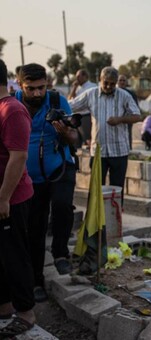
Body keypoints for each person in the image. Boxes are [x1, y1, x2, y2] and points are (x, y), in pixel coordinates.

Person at [15, 63, 79, 302]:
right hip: (29, 178)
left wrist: (64, 132)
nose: (37, 94)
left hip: (60, 167)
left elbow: (74, 136)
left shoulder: (56, 101)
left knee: (63, 206)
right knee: (35, 228)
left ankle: (61, 253)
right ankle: (36, 280)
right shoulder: (12, 105)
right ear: (20, 84)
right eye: (31, 89)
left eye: (41, 88)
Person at [0, 59, 36, 338]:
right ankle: (4, 305)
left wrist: (3, 198)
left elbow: (19, 157)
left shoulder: (12, 110)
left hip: (11, 198)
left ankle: (26, 312)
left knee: (15, 256)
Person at [69, 67, 141, 189]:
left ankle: (115, 209)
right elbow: (71, 106)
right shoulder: (90, 94)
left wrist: (120, 119)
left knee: (117, 190)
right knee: (96, 190)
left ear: (116, 82)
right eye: (106, 83)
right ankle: (97, 210)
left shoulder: (124, 95)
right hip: (98, 152)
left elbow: (137, 116)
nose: (108, 86)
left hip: (119, 152)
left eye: (112, 84)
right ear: (100, 79)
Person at [68, 69, 96, 147]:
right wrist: (74, 88)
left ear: (85, 76)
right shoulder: (77, 87)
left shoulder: (92, 86)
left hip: (86, 115)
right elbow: (70, 100)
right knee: (76, 140)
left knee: (88, 139)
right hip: (76, 116)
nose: (77, 79)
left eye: (78, 76)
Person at [117, 74, 140, 150]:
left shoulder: (131, 94)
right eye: (120, 80)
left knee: (127, 134)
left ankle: (129, 150)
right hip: (116, 118)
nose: (122, 82)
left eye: (124, 80)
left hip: (127, 118)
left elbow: (135, 107)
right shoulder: (114, 92)